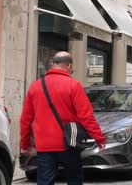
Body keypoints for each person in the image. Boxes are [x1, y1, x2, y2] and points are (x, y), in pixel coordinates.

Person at [20, 51, 106, 185]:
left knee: (45, 181)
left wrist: (25, 143)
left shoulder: (35, 86)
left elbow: (26, 119)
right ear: (69, 66)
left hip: (44, 145)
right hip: (69, 143)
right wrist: (99, 138)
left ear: (53, 64)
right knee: (74, 179)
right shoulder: (73, 85)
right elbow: (86, 116)